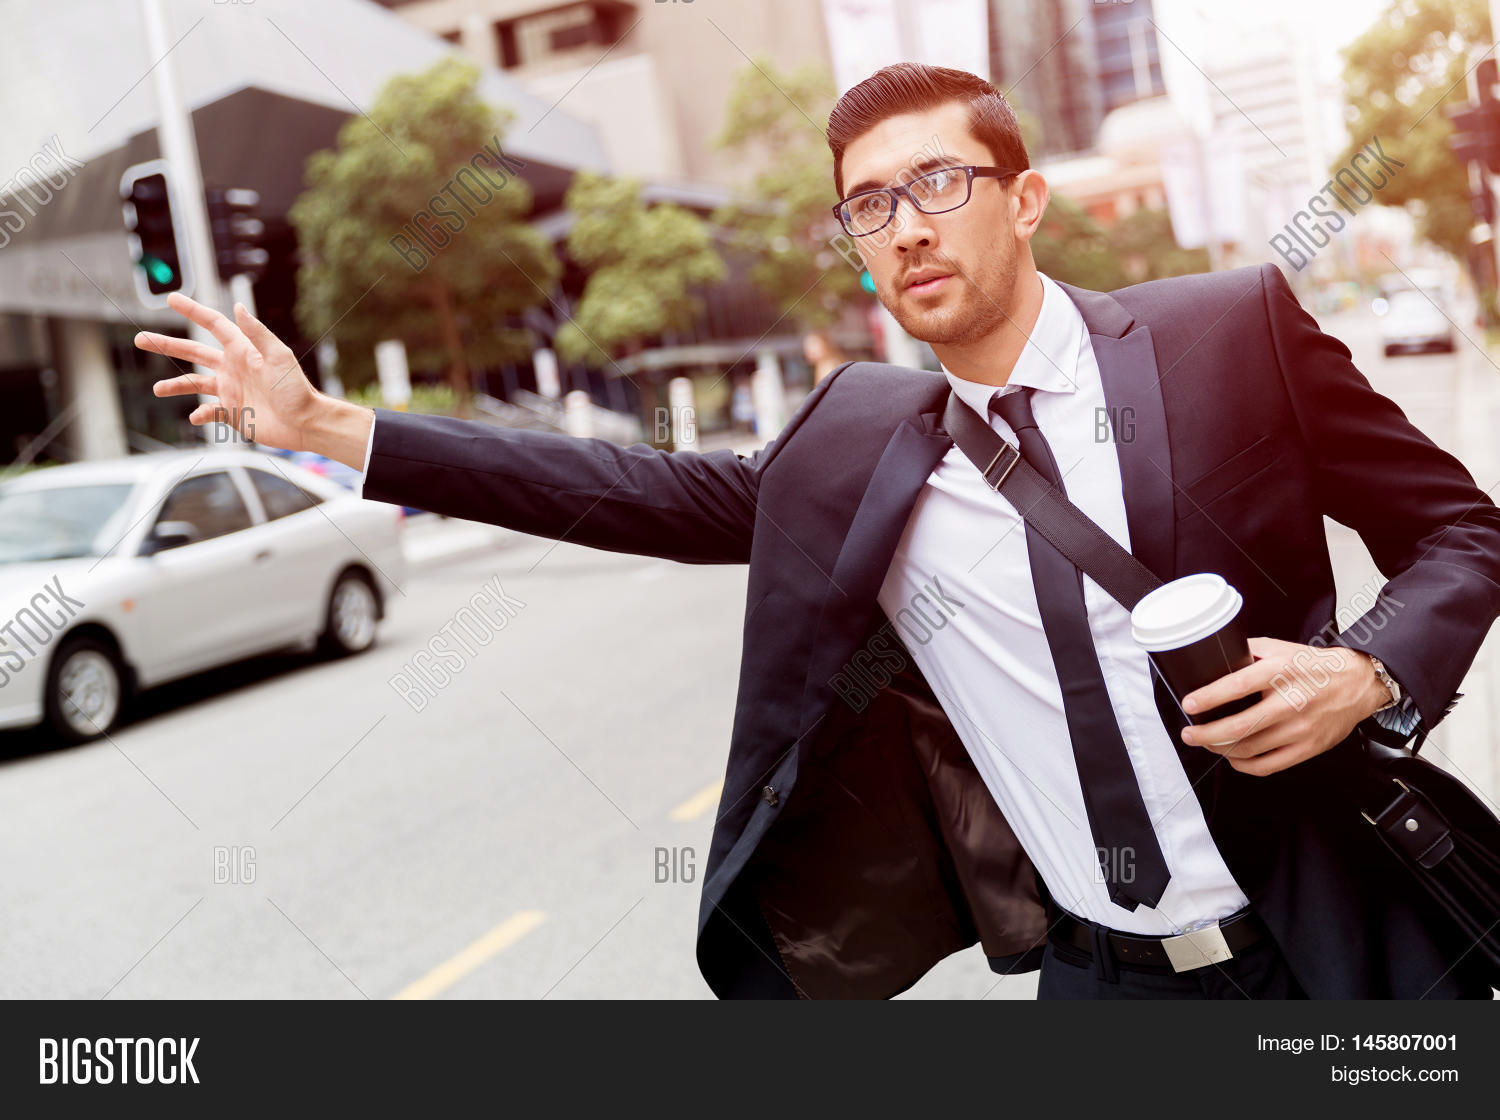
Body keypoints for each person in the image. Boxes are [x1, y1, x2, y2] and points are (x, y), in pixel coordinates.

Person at [136, 62, 1500, 1000]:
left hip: (1342, 929)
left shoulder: (1229, 335)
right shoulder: (864, 447)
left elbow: (1461, 532)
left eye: (936, 184)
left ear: (1024, 200)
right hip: (1104, 977)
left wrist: (1371, 669)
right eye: (867, 205)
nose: (902, 229)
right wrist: (328, 429)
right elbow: (635, 495)